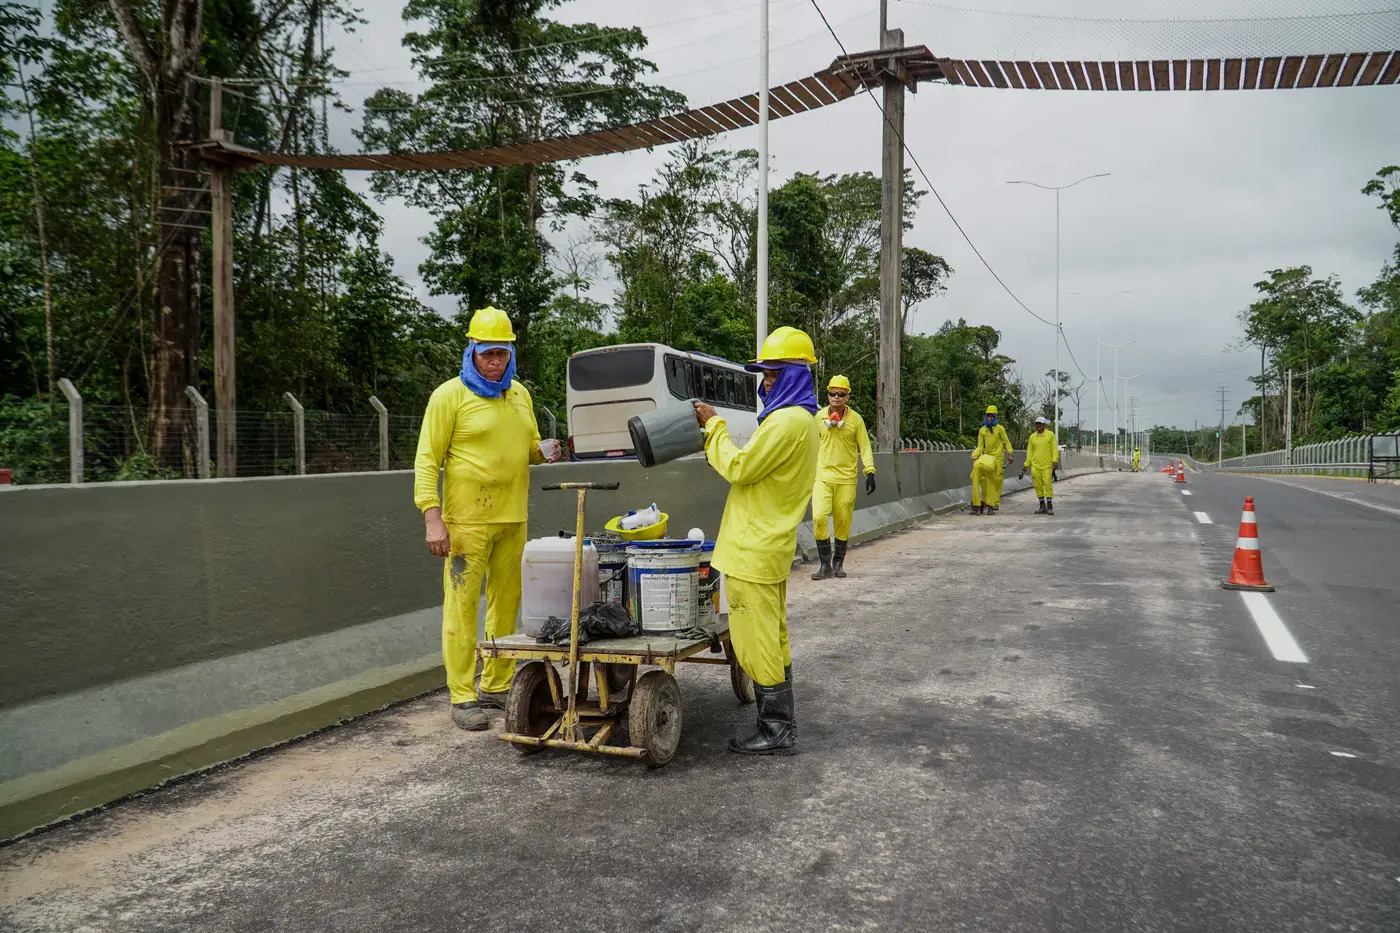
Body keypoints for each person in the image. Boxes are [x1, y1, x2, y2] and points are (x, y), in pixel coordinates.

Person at [413, 306, 563, 732]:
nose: (495, 361)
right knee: (461, 609)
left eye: (502, 353)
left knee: (506, 605)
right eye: (487, 353)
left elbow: (529, 447)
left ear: (511, 354)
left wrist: (543, 451)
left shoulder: (519, 396)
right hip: (466, 524)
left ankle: (495, 685)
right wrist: (432, 518)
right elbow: (427, 460)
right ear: (472, 351)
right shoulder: (449, 397)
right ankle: (462, 695)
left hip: (513, 519)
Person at [693, 326, 819, 755]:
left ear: (796, 376)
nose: (766, 384)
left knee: (755, 640)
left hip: (753, 549)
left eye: (773, 375)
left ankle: (776, 728)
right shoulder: (806, 421)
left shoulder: (786, 422)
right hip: (771, 546)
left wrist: (714, 428)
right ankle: (780, 721)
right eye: (764, 375)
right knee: (774, 635)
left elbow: (741, 467)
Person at [810, 374, 876, 581]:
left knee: (843, 522)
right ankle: (824, 565)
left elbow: (864, 446)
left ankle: (837, 565)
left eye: (841, 394)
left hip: (846, 479)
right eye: (832, 393)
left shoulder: (856, 420)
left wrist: (870, 471)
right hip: (823, 476)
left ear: (847, 397)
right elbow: (809, 445)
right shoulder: (819, 417)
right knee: (819, 517)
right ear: (828, 395)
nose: (836, 397)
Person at [969, 405, 1013, 515]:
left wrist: (1010, 453)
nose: (990, 418)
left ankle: (993, 503)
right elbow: (980, 446)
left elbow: (1006, 442)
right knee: (985, 482)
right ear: (986, 416)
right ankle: (987, 503)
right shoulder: (982, 431)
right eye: (988, 416)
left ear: (995, 416)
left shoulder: (1000, 429)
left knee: (996, 481)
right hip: (987, 458)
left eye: (992, 416)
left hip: (998, 459)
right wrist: (975, 454)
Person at [1022, 416, 1060, 514]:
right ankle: (1042, 506)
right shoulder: (1032, 437)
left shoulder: (1050, 435)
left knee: (1047, 485)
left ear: (1044, 425)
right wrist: (1026, 465)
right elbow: (1029, 452)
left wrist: (1055, 461)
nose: (1038, 426)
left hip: (1047, 466)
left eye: (1040, 424)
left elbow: (1054, 450)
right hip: (1035, 466)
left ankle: (1050, 506)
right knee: (1037, 486)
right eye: (1036, 424)